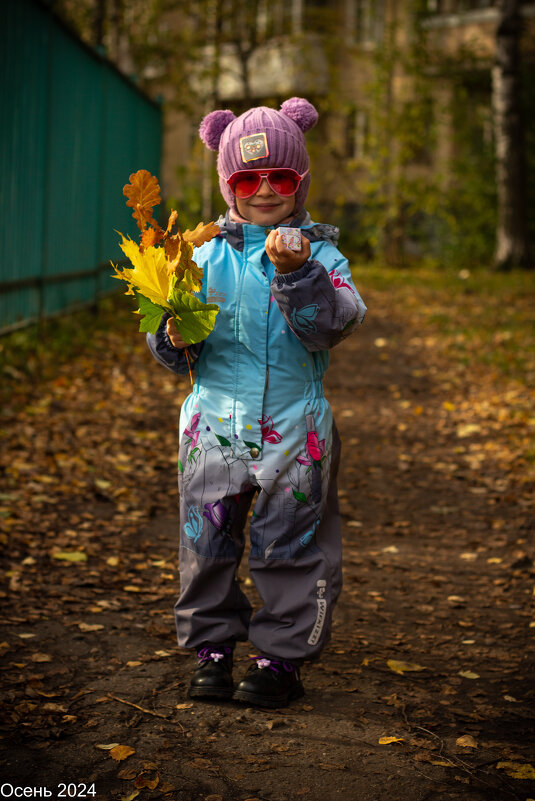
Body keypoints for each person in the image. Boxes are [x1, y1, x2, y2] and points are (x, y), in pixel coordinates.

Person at [147, 97, 367, 708]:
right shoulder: (196, 255)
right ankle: (211, 650)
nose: (264, 190)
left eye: (281, 177)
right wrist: (172, 336)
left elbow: (332, 327)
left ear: (300, 182)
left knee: (293, 546)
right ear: (227, 184)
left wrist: (297, 276)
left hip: (296, 430)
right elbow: (166, 347)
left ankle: (280, 661)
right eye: (248, 178)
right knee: (206, 543)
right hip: (212, 426)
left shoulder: (322, 256)